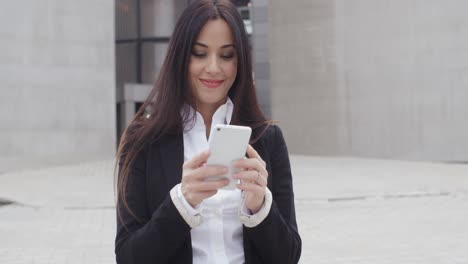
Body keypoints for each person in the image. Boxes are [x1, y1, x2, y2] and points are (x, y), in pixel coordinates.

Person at [114, 0, 301, 263]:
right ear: (180, 57)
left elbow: (289, 256)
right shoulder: (143, 141)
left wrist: (260, 207)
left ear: (240, 62)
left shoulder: (267, 139)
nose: (213, 67)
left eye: (226, 55)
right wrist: (182, 203)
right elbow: (128, 256)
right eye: (199, 53)